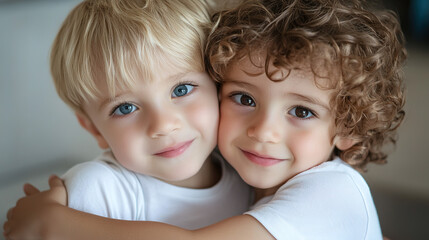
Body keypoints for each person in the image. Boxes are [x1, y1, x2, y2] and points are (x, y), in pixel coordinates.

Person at [4, 0, 406, 239]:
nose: (262, 131)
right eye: (244, 98)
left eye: (302, 111)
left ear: (349, 129)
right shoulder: (235, 174)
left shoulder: (331, 190)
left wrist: (53, 222)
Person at [3, 0, 253, 235]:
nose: (163, 125)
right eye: (125, 108)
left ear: (218, 86)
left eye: (181, 89)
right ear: (95, 130)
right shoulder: (100, 189)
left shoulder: (247, 173)